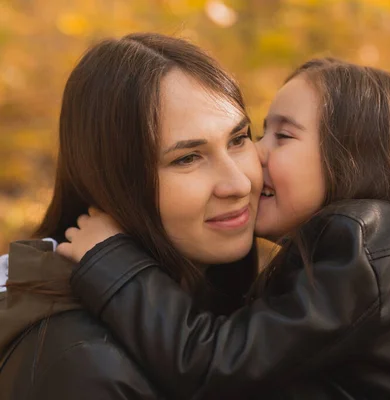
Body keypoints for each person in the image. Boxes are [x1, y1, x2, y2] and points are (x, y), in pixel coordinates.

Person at [59, 59, 390, 399]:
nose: (256, 153)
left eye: (283, 135)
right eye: (257, 132)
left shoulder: (360, 241)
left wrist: (113, 260)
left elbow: (215, 366)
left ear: (351, 159)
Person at [0, 32, 262, 399]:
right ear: (113, 182)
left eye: (239, 139)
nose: (238, 183)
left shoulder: (212, 306)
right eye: (187, 158)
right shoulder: (84, 368)